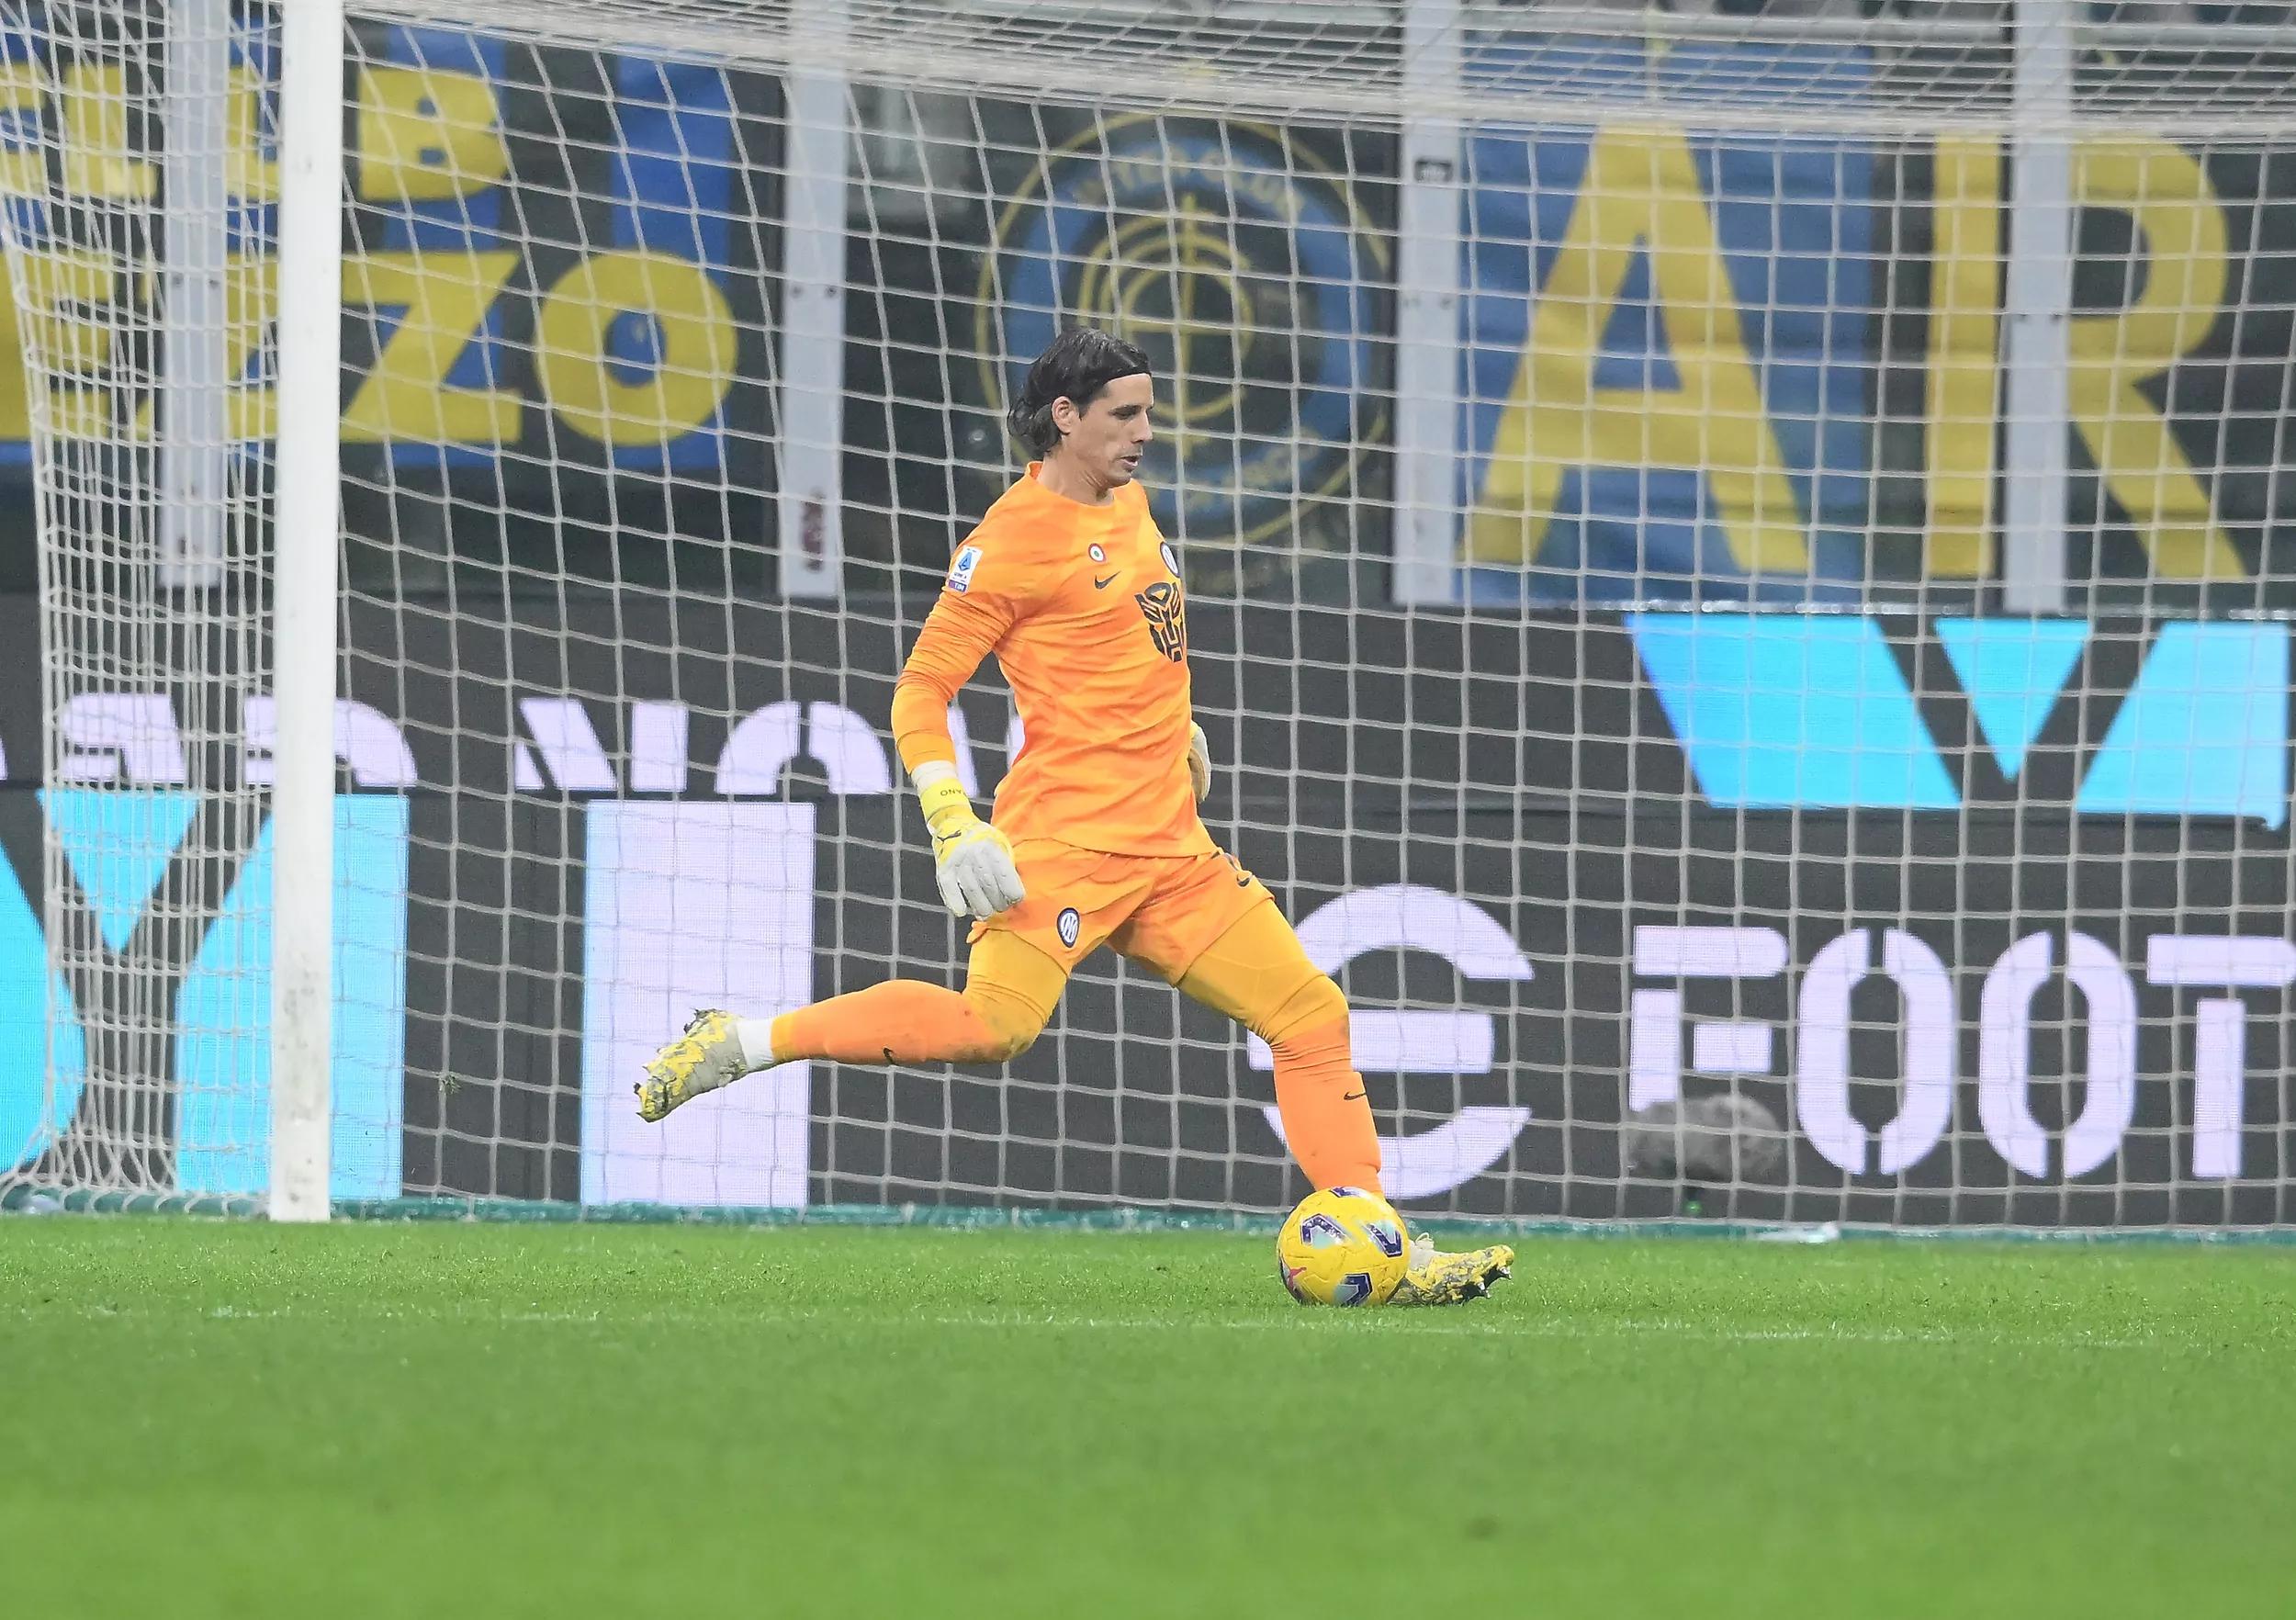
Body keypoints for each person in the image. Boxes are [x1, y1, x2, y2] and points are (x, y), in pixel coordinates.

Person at [636, 326, 1512, 1305]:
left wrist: (1174, 726)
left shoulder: (1127, 500)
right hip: (1066, 843)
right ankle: (743, 1041)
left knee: (1310, 1015)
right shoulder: (1008, 545)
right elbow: (920, 692)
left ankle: (1382, 1248)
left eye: (1148, 412)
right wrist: (953, 821)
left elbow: (1125, 640)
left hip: (1170, 848)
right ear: (1065, 417)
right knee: (992, 1027)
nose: (1145, 432)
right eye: (1124, 415)